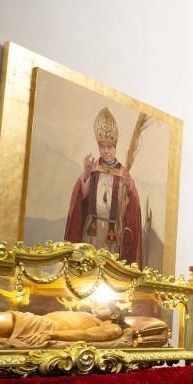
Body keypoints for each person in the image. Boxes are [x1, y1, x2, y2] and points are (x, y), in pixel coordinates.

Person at [65, 107, 142, 265]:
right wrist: (86, 174)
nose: (105, 151)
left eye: (109, 147)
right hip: (91, 230)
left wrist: (130, 189)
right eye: (102, 147)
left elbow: (131, 205)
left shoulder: (123, 173)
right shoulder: (93, 169)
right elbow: (82, 197)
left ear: (115, 147)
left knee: (109, 268)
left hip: (113, 232)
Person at [0, 304, 129, 348]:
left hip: (44, 327)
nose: (96, 307)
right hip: (39, 321)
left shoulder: (113, 327)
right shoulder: (92, 317)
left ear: (114, 315)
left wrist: (51, 334)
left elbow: (87, 336)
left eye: (102, 307)